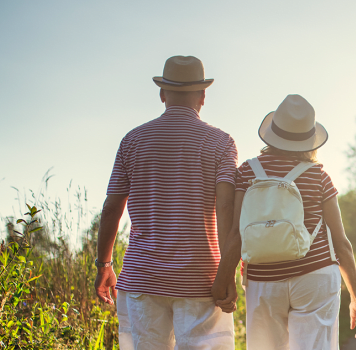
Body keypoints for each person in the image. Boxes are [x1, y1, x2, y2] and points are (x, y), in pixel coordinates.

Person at [93, 55, 239, 350]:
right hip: (200, 279)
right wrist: (227, 272)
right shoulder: (221, 142)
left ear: (162, 94)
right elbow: (225, 208)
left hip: (142, 278)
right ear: (203, 95)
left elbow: (111, 209)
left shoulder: (132, 140)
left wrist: (104, 265)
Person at [211, 94, 356, 349]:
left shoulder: (247, 171)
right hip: (315, 276)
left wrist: (223, 280)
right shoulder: (319, 176)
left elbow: (237, 234)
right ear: (309, 139)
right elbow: (341, 243)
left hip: (263, 279)